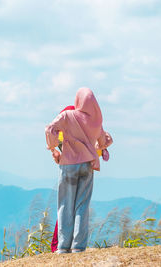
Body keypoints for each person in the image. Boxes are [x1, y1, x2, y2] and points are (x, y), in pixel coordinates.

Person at [45, 87, 113, 254]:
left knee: (65, 205)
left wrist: (53, 147)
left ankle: (62, 246)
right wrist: (100, 146)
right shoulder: (96, 121)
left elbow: (50, 129)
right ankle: (78, 246)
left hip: (68, 165)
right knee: (82, 206)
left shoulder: (68, 116)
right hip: (87, 165)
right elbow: (104, 140)